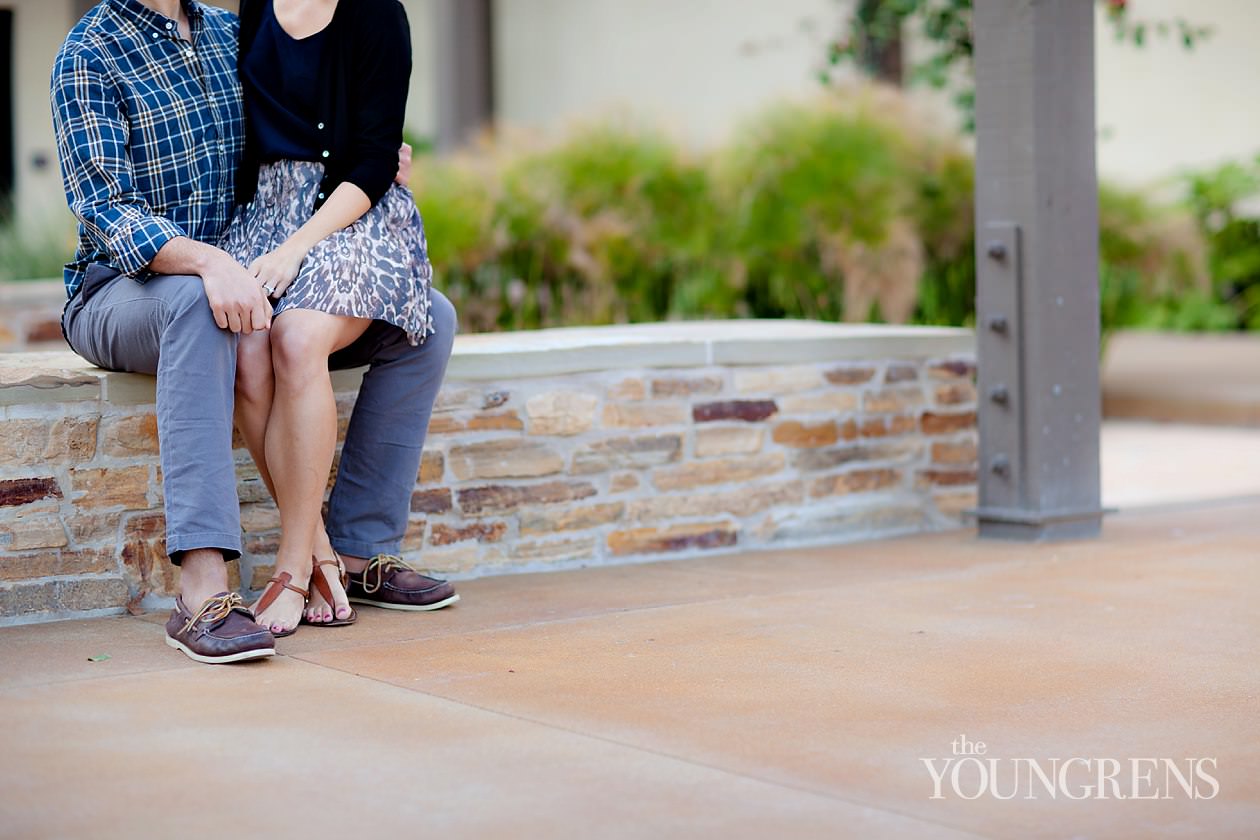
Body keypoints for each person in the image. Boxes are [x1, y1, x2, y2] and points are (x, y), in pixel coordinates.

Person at [49, 0, 452, 665]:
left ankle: (354, 549)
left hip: (245, 259)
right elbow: (105, 211)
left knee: (428, 319)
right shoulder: (89, 51)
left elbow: (297, 119)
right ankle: (204, 592)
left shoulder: (232, 30)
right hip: (120, 286)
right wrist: (207, 263)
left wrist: (378, 155)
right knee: (204, 312)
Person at [220, 0, 459, 637]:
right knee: (248, 345)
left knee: (297, 339)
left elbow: (377, 158)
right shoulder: (251, 6)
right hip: (265, 215)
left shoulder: (376, 12)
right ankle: (324, 548)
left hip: (350, 215)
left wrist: (297, 247)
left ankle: (293, 567)